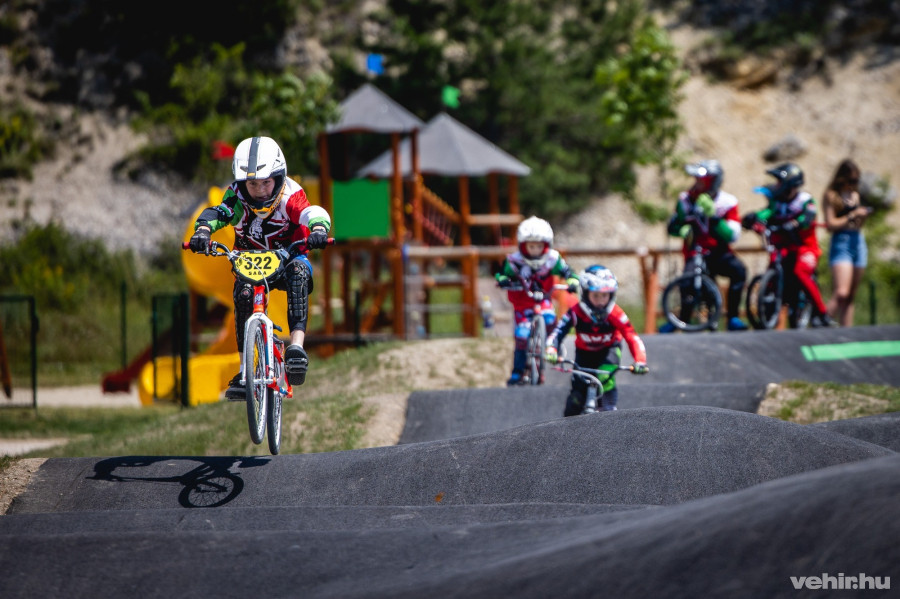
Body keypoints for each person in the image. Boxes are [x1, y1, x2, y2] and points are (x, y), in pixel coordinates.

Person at [188, 136, 331, 398]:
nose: (261, 190)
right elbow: (218, 213)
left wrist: (319, 229)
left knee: (298, 275)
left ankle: (296, 350)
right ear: (243, 183)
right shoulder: (237, 197)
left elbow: (312, 213)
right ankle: (245, 371)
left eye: (266, 182)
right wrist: (203, 231)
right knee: (243, 294)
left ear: (278, 177)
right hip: (250, 260)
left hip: (289, 258)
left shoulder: (290, 194)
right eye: (253, 184)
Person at [545, 265, 648, 415]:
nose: (600, 301)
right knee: (575, 399)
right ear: (585, 294)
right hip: (584, 355)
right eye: (596, 296)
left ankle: (610, 415)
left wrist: (640, 361)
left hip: (609, 352)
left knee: (606, 379)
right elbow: (558, 332)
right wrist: (551, 349)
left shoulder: (616, 313)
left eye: (604, 296)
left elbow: (632, 336)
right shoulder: (575, 312)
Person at [741, 162, 834, 327]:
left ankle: (821, 313)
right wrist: (753, 217)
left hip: (805, 248)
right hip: (783, 247)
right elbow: (767, 213)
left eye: (779, 182)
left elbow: (808, 217)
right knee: (773, 266)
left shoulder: (805, 200)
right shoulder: (777, 202)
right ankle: (769, 307)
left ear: (789, 184)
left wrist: (797, 223)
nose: (776, 186)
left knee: (801, 272)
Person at [661, 159, 749, 332]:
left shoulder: (727, 202)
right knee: (687, 282)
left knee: (739, 271)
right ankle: (680, 321)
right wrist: (681, 229)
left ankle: (733, 317)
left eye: (702, 180)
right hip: (695, 252)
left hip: (718, 253)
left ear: (713, 181)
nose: (697, 183)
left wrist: (714, 217)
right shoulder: (685, 199)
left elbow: (732, 235)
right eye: (696, 180)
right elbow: (672, 227)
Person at [495, 216, 580, 386]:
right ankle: (518, 372)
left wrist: (572, 281)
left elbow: (568, 271)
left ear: (546, 245)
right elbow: (501, 273)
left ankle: (554, 346)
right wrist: (503, 280)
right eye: (531, 246)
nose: (535, 250)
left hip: (543, 300)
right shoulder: (514, 261)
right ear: (523, 245)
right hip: (522, 303)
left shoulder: (552, 259)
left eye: (539, 246)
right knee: (521, 336)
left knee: (550, 320)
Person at [823, 159, 871, 326]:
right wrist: (852, 215)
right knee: (841, 292)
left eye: (856, 181)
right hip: (841, 241)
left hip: (858, 241)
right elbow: (830, 224)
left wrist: (862, 217)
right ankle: (821, 323)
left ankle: (847, 332)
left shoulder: (855, 196)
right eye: (851, 180)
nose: (853, 184)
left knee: (850, 295)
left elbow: (858, 225)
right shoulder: (831, 196)